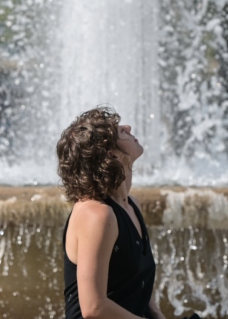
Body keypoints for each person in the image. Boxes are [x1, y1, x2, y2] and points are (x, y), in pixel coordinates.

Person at [57, 107, 167, 319]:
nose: (128, 127)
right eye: (121, 132)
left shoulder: (132, 205)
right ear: (111, 154)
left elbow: (139, 285)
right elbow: (93, 308)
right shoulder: (97, 215)